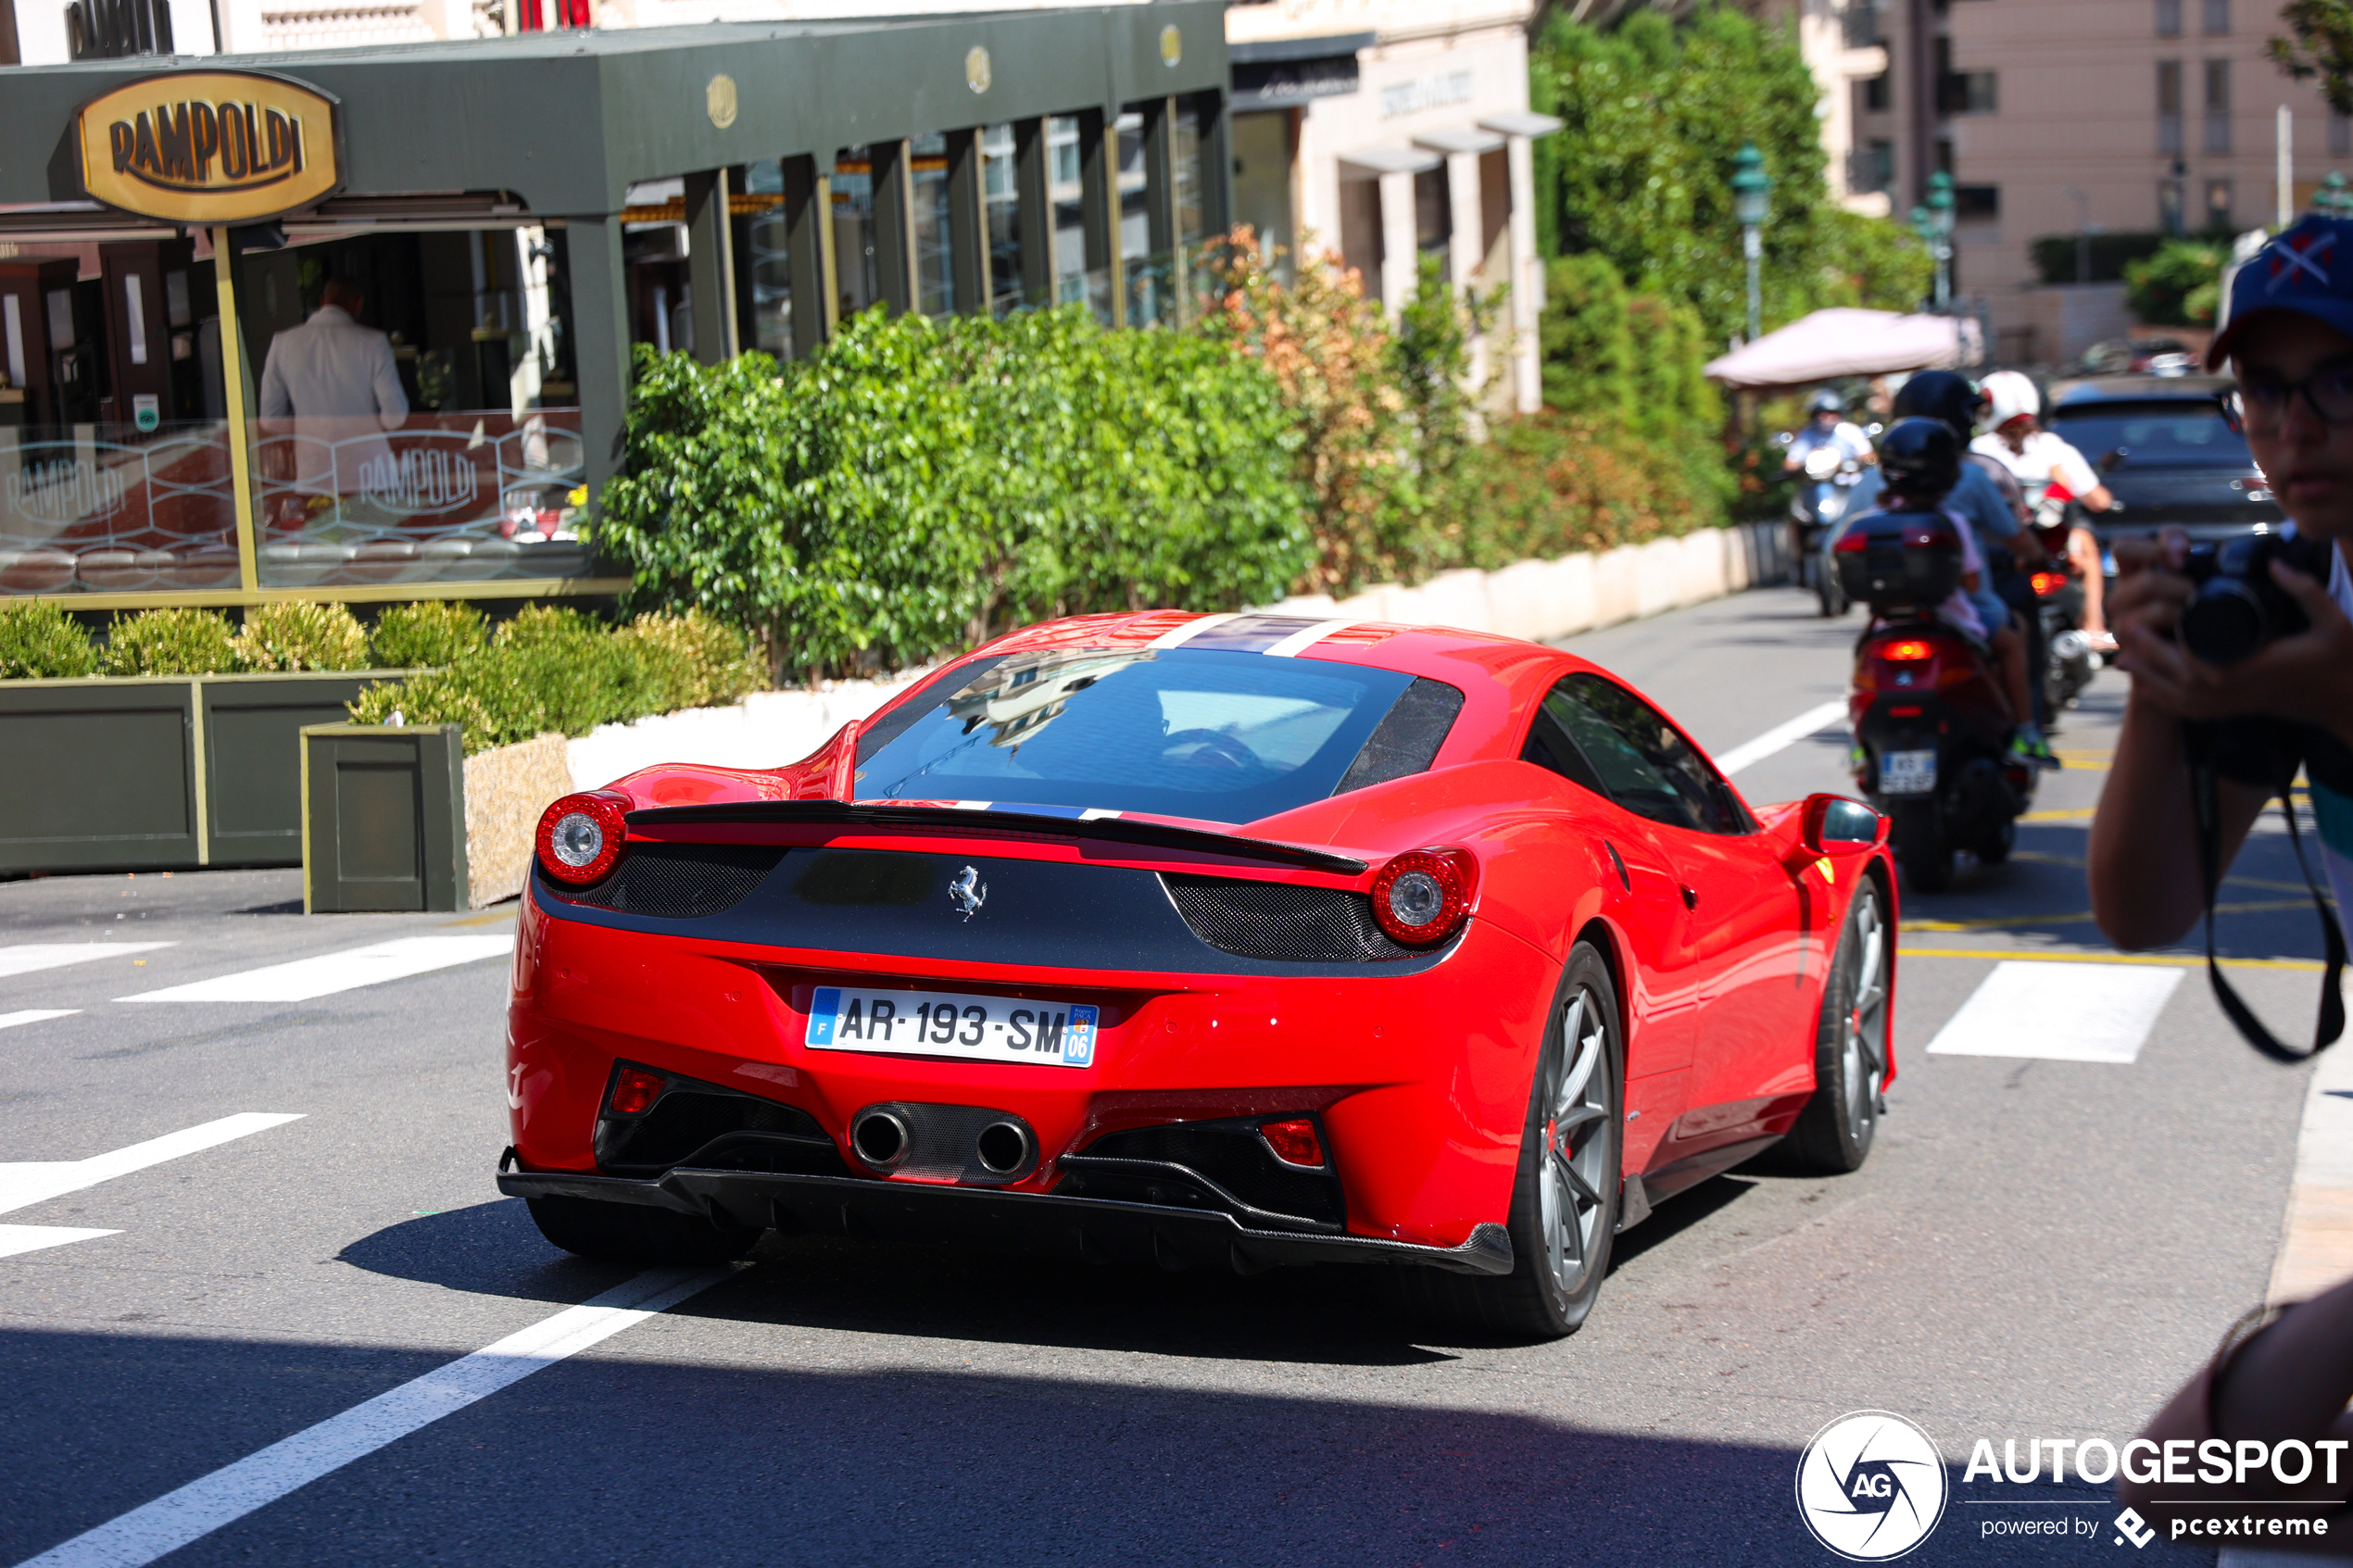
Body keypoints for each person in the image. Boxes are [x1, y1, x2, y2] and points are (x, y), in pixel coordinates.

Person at [2093, 213, 2353, 1541]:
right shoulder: (2297, 594)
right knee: (2185, 1477)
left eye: (2340, 382)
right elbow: (2142, 909)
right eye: (2262, 387)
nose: (2295, 426)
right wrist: (2164, 697)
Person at [1890, 373, 2057, 766]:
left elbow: (1837, 547)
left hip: (1890, 616)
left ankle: (1858, 745)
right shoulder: (1970, 482)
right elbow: (2004, 544)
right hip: (1965, 610)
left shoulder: (1875, 488)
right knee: (2013, 641)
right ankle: (2026, 732)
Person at [1974, 370, 2119, 654]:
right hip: (2050, 544)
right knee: (2085, 544)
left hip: (2000, 546)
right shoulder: (2052, 447)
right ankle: (2093, 627)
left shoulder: (1978, 449)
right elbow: (2099, 501)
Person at [257, 277, 408, 504]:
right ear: (357, 303)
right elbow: (394, 417)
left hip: (315, 470)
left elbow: (270, 421)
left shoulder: (283, 343)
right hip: (368, 469)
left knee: (325, 536)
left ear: (322, 301)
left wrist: (307, 427)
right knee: (375, 536)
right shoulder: (373, 342)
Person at [1783, 388, 1874, 470]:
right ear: (1814, 415)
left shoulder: (1850, 430)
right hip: (1818, 482)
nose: (1828, 418)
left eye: (1833, 413)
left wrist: (1858, 461)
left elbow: (1869, 455)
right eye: (1823, 414)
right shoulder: (1807, 434)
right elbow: (1791, 461)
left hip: (1851, 480)